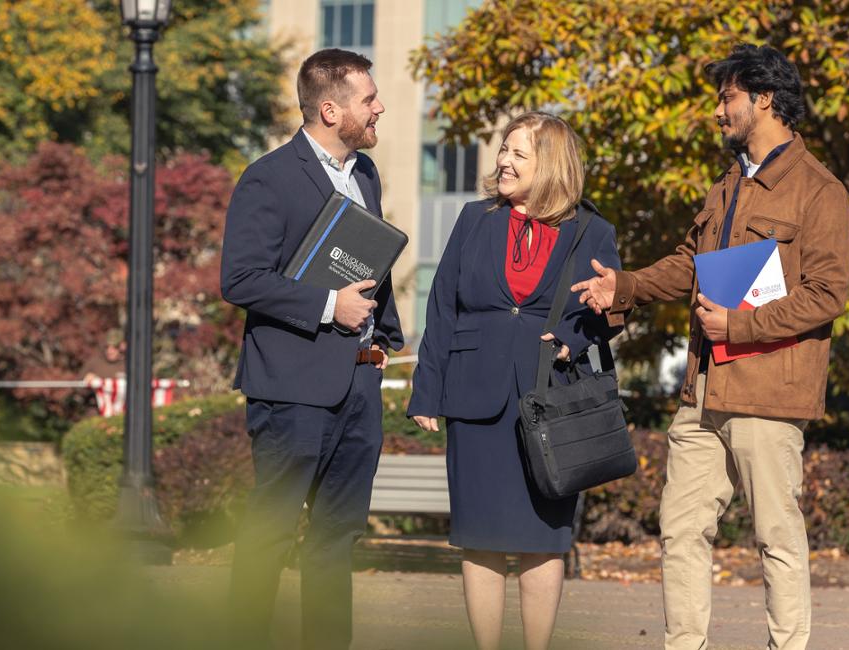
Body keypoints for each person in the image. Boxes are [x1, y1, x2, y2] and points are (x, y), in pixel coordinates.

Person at [572, 44, 849, 650]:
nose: (718, 111)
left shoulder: (819, 191)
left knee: (776, 535)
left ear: (764, 99)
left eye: (727, 97)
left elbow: (828, 294)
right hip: (703, 390)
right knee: (679, 530)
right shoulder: (727, 186)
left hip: (769, 393)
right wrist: (624, 286)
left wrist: (741, 328)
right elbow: (690, 267)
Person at [407, 112, 621, 650]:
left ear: (549, 164)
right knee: (478, 539)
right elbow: (442, 307)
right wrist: (427, 389)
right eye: (503, 150)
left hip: (548, 399)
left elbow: (607, 306)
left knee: (542, 540)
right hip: (473, 394)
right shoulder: (473, 219)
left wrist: (577, 336)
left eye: (518, 154)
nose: (503, 161)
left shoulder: (593, 230)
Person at [220, 48, 403, 650]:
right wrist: (329, 306)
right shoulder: (267, 177)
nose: (379, 108)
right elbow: (240, 278)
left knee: (336, 538)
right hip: (291, 389)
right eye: (369, 100)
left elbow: (368, 264)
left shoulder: (366, 175)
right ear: (331, 109)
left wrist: (384, 341)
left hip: (357, 386)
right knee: (270, 534)